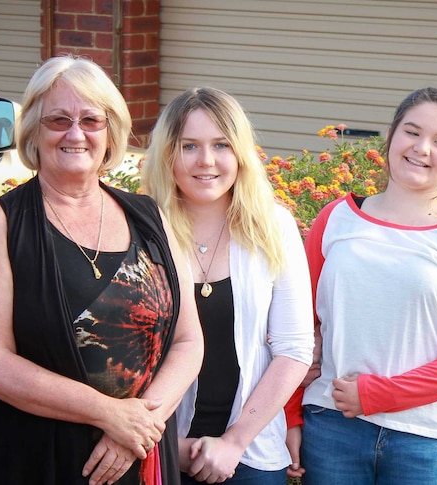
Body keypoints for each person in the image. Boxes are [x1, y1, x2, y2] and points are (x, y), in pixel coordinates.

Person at [0, 55, 204, 485]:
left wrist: (139, 426)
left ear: (111, 132)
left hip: (136, 453)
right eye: (58, 120)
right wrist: (110, 414)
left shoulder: (149, 216)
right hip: (32, 458)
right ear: (33, 128)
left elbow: (188, 340)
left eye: (91, 119)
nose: (75, 133)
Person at [295, 87, 437, 485]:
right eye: (412, 132)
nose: (422, 148)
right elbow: (296, 331)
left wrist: (377, 395)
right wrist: (288, 417)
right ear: (390, 136)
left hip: (422, 441)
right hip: (331, 426)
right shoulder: (335, 219)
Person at [141, 86, 314, 484]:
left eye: (221, 144)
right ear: (168, 153)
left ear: (240, 153)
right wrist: (168, 442)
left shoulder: (274, 227)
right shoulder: (141, 229)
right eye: (189, 146)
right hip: (157, 449)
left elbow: (294, 349)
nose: (206, 161)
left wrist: (234, 442)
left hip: (248, 455)